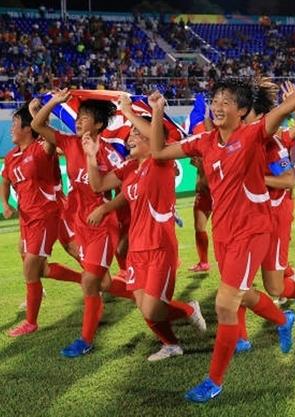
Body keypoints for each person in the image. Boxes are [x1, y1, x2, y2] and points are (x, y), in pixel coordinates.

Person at [148, 59, 295, 402]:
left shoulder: (252, 136)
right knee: (242, 294)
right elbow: (159, 151)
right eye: (215, 100)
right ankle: (282, 320)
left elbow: (289, 106)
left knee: (225, 304)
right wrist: (158, 111)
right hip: (225, 232)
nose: (218, 107)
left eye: (227, 102)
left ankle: (214, 381)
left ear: (243, 110)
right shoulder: (204, 142)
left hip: (253, 232)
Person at [83, 95, 207, 360]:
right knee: (143, 306)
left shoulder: (161, 162)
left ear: (152, 139)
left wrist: (143, 111)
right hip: (137, 250)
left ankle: (187, 310)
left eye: (136, 134)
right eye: (130, 134)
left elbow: (156, 140)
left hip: (160, 247)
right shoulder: (130, 167)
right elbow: (98, 186)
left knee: (152, 309)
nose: (130, 138)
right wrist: (91, 158)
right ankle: (171, 344)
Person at [31, 91, 137, 356]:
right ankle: (156, 302)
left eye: (85, 118)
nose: (78, 122)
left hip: (102, 225)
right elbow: (37, 126)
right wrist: (54, 102)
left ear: (99, 125)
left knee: (90, 282)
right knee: (100, 283)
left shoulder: (110, 154)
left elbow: (127, 190)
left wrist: (105, 208)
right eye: (78, 117)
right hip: (79, 223)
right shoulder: (68, 143)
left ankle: (85, 340)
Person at [235, 80, 295, 353]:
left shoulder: (275, 144)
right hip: (245, 221)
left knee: (274, 287)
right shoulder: (238, 141)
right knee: (237, 281)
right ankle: (240, 337)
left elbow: (289, 181)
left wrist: (254, 178)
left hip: (274, 219)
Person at [1, 103, 78, 337]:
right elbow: (5, 180)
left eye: (14, 125)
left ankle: (31, 322)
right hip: (26, 219)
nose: (10, 130)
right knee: (36, 266)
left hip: (46, 216)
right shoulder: (12, 156)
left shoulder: (42, 149)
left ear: (27, 128)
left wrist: (40, 111)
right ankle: (88, 279)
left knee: (38, 264)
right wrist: (5, 203)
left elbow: (51, 138)